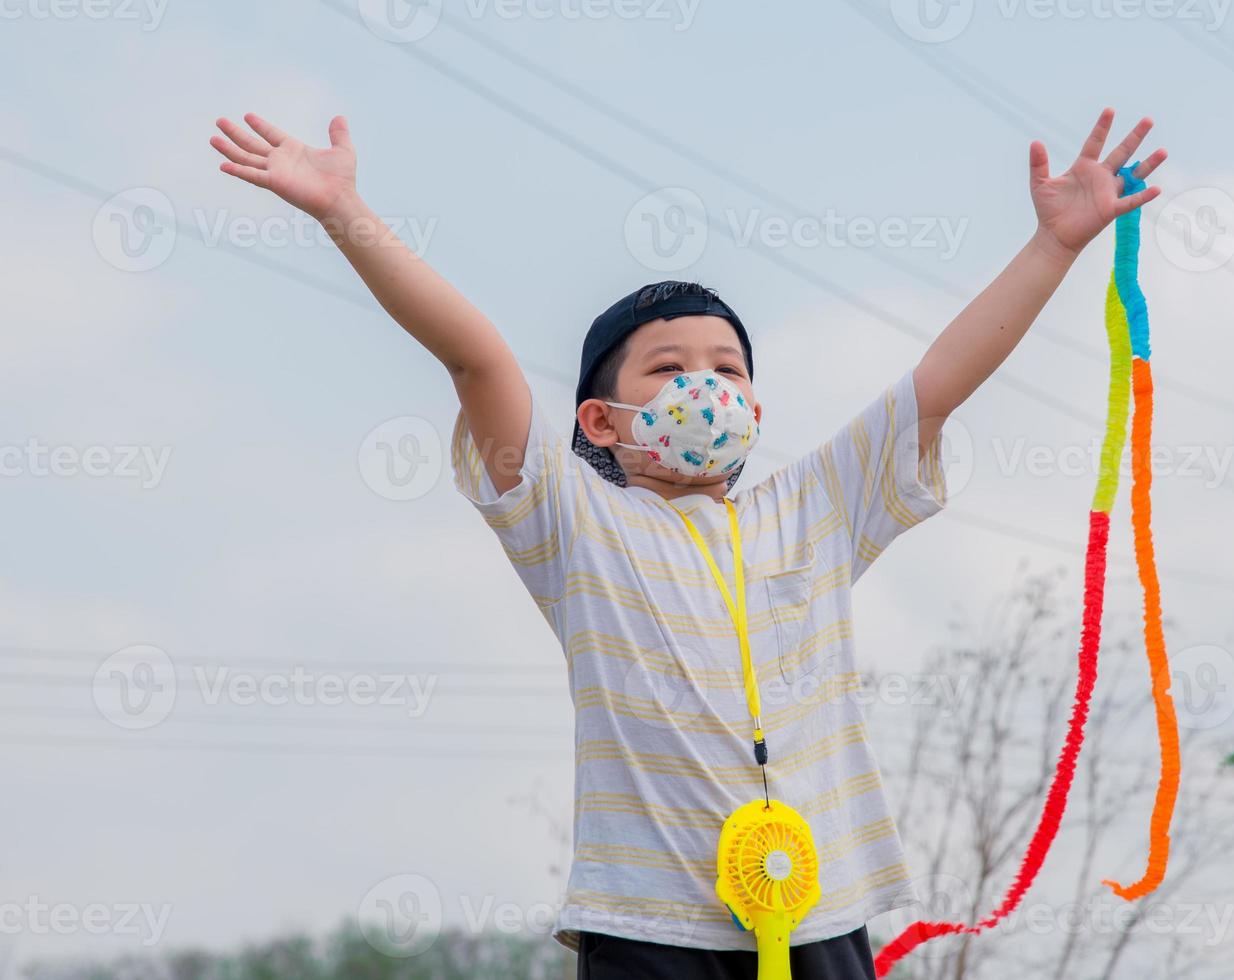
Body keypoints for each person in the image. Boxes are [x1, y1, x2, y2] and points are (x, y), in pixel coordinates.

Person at [210, 106, 1165, 979]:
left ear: (754, 407)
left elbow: (942, 379)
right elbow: (478, 358)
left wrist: (1052, 245)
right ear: (604, 418)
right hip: (648, 931)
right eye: (668, 368)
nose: (704, 384)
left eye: (727, 368)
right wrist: (345, 212)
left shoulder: (815, 510)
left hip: (819, 916)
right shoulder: (574, 521)